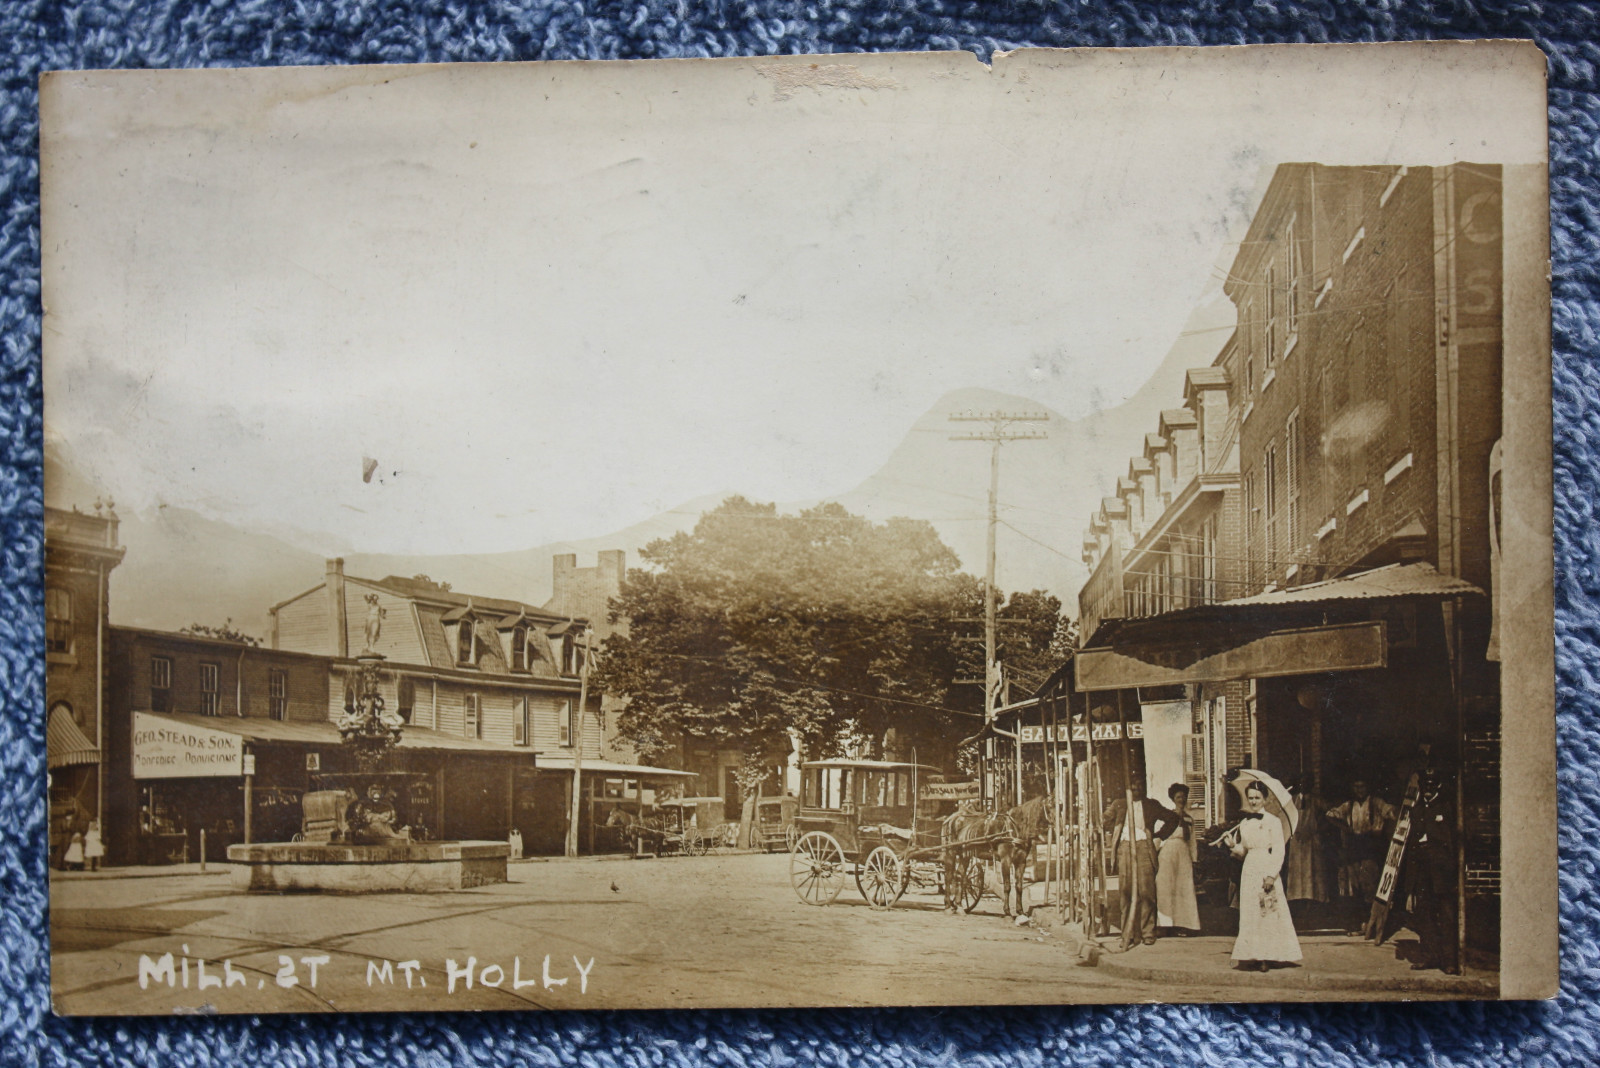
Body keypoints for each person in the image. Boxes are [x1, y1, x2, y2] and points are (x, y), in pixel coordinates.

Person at [1228, 780, 1303, 971]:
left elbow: (1279, 850)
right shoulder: (1244, 823)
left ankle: (1267, 957)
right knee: (1250, 912)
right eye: (1250, 798)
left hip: (1265, 868)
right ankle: (1253, 954)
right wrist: (1233, 846)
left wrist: (1271, 875)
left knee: (1268, 911)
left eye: (1257, 798)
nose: (1253, 801)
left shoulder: (1273, 821)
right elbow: (1244, 851)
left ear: (1265, 799)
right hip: (1249, 870)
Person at [1103, 778, 1183, 949]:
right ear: (1127, 786)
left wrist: (1158, 836)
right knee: (1126, 892)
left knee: (1147, 891)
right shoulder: (1119, 804)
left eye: (1139, 785)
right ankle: (1128, 933)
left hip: (1143, 847)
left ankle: (1147, 932)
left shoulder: (1151, 805)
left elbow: (1173, 818)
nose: (1136, 788)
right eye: (1133, 785)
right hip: (1125, 848)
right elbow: (1104, 819)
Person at [1400, 769, 1461, 974]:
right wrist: (1410, 884)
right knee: (1424, 916)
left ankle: (1449, 961)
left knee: (1446, 917)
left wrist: (1452, 872)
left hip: (1442, 873)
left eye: (1432, 785)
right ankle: (1429, 957)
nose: (1428, 789)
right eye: (1425, 785)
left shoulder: (1446, 808)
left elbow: (1453, 842)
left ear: (1438, 786)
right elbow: (1411, 847)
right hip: (1422, 872)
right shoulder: (1416, 810)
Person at [1325, 779, 1396, 928]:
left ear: (1368, 787)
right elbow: (1330, 815)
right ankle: (1359, 921)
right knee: (1355, 883)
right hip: (1354, 846)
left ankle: (1371, 920)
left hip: (1370, 846)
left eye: (1362, 786)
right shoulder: (1348, 805)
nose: (1359, 790)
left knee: (1369, 882)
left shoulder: (1375, 802)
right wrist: (1344, 827)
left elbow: (1390, 812)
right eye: (1356, 787)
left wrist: (1382, 826)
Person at [1155, 783, 1201, 935]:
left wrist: (1194, 860)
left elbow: (1192, 841)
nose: (1181, 800)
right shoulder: (1167, 816)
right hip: (1168, 852)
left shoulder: (1189, 819)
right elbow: (1159, 837)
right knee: (1165, 887)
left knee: (1184, 887)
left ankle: (1184, 924)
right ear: (1173, 799)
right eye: (1178, 797)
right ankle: (1164, 925)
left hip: (1184, 853)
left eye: (1184, 797)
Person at [1286, 783, 1332, 922]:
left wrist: (1315, 830)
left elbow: (1329, 815)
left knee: (1313, 872)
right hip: (1296, 841)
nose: (1303, 785)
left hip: (1312, 840)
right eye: (1300, 782)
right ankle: (1297, 904)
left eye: (1306, 781)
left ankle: (1314, 904)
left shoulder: (1316, 800)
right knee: (1296, 873)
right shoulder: (1291, 800)